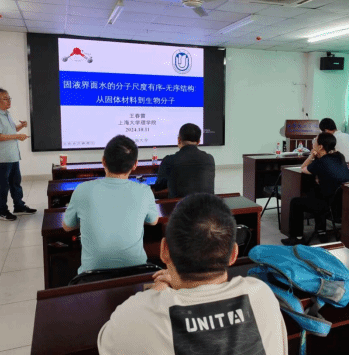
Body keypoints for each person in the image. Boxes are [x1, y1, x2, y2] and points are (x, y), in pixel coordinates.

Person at [97, 193, 288, 355]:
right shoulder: (262, 295)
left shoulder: (134, 316)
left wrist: (158, 291)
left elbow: (106, 343)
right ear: (233, 255)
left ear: (164, 251)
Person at [62, 135, 159, 274]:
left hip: (91, 278)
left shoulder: (82, 190)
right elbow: (153, 221)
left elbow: (67, 226)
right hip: (136, 274)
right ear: (135, 164)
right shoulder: (144, 191)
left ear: (103, 161)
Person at [282, 133, 349, 246]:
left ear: (320, 146)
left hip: (327, 205)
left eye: (315, 141)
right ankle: (321, 232)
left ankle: (297, 237)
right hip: (341, 204)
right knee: (316, 191)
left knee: (296, 202)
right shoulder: (340, 156)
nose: (313, 143)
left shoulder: (321, 162)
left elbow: (303, 168)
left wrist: (311, 156)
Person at [0, 88, 36, 222]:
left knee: (15, 183)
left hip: (12, 156)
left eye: (9, 98)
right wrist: (17, 136)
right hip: (2, 158)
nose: (8, 101)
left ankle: (19, 206)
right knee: (2, 186)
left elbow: (9, 131)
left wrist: (20, 126)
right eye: (5, 99)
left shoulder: (6, 114)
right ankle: (2, 211)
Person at [154, 123, 215, 198]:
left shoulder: (169, 160)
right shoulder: (209, 159)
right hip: (207, 205)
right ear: (198, 142)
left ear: (179, 140)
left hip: (180, 205)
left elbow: (159, 186)